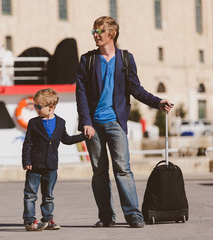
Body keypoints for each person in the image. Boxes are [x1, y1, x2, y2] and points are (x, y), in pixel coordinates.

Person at [75, 16, 173, 228]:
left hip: (116, 122)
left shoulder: (126, 59)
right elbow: (80, 92)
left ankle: (133, 215)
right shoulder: (88, 60)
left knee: (123, 170)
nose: (96, 35)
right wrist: (85, 121)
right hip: (92, 125)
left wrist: (157, 102)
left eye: (99, 31)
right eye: (93, 31)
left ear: (112, 33)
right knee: (99, 172)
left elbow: (135, 89)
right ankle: (106, 217)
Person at [22, 88, 85, 231]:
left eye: (39, 106)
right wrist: (26, 161)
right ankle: (30, 221)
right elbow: (27, 143)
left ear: (51, 107)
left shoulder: (61, 122)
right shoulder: (33, 123)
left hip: (51, 166)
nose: (36, 109)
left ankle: (48, 219)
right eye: (35, 106)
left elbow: (67, 139)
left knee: (48, 195)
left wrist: (83, 137)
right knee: (30, 195)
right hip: (34, 165)